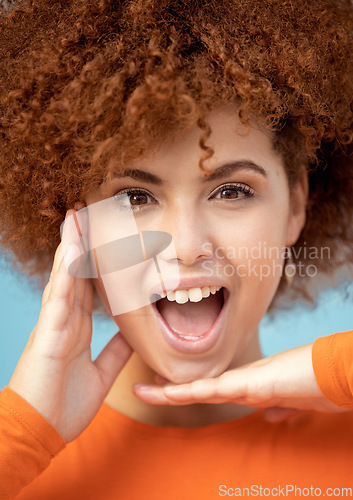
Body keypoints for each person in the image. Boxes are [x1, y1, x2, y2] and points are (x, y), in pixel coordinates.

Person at [1, 0, 353, 498]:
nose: (186, 248)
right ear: (78, 225)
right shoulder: (20, 464)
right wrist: (24, 433)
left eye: (231, 191)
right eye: (135, 197)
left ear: (296, 204)